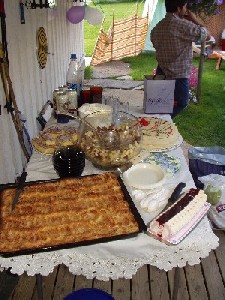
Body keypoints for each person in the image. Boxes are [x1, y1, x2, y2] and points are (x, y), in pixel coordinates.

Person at [151, 0, 211, 118]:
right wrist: (194, 19)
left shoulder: (159, 26)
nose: (186, 10)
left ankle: (161, 121)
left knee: (161, 103)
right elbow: (206, 35)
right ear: (178, 8)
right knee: (182, 102)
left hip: (161, 70)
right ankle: (163, 121)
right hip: (178, 73)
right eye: (184, 7)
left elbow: (154, 42)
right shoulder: (182, 25)